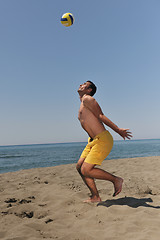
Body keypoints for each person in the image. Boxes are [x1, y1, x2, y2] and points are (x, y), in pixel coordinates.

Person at [76, 81, 132, 203]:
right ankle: (95, 196)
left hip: (102, 139)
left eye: (84, 84)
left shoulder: (88, 99)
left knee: (86, 170)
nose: (81, 84)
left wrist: (118, 130)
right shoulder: (82, 102)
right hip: (92, 141)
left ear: (89, 89)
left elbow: (101, 115)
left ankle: (116, 180)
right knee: (79, 167)